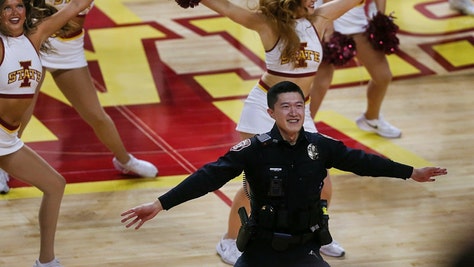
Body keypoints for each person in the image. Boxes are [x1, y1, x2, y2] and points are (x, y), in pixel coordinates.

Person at [121, 81, 448, 267]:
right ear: (270, 113)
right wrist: (160, 204)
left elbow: (365, 162)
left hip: (305, 249)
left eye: (299, 106)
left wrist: (410, 172)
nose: (294, 112)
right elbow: (208, 177)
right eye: (286, 107)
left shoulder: (321, 147)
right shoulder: (253, 150)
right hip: (261, 250)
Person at [175, 0, 365, 263]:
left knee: (321, 180)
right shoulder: (268, 24)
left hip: (300, 111)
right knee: (258, 184)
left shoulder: (318, 19)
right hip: (264, 108)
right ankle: (230, 240)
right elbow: (228, 9)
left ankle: (313, 235)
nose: (315, 0)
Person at [0, 0, 159, 195]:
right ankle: (2, 166)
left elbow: (76, 5)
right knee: (20, 116)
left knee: (96, 115)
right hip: (33, 47)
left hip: (69, 52)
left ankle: (124, 160)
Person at [0, 0, 94, 266]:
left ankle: (46, 261)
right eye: (6, 7)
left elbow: (76, 5)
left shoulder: (36, 36)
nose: (14, 12)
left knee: (55, 185)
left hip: (6, 139)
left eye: (19, 5)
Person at [310, 0, 402, 139]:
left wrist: (381, 19)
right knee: (322, 82)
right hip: (326, 23)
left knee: (383, 76)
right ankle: (305, 129)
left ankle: (371, 118)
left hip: (358, 26)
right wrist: (328, 26)